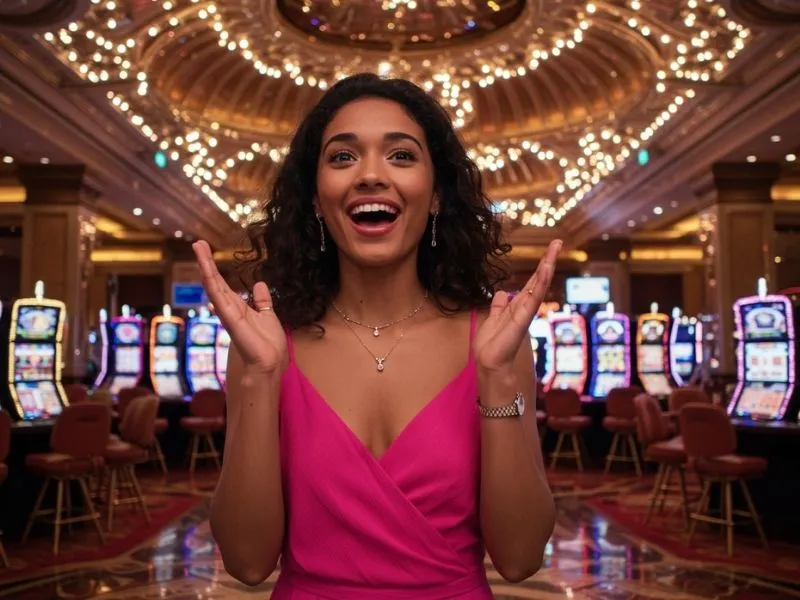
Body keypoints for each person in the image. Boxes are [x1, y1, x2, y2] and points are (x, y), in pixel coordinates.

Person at [193, 72, 560, 599]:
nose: (369, 174)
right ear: (317, 200)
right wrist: (259, 377)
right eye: (342, 157)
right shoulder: (269, 343)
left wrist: (497, 380)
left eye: (401, 156)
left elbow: (521, 557)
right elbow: (248, 563)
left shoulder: (494, 342)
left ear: (435, 196)